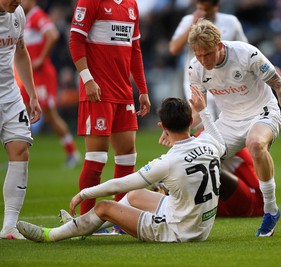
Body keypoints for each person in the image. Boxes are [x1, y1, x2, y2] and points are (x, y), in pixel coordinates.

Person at [16, 93, 227, 243]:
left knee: (104, 207)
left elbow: (120, 184)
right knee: (135, 195)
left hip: (177, 231)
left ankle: (49, 235)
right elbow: (222, 143)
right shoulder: (209, 144)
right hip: (200, 226)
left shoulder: (168, 161)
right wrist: (204, 111)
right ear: (191, 121)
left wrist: (84, 193)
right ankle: (80, 228)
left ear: (161, 127)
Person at [165, 19, 281, 237]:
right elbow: (199, 109)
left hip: (263, 111)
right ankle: (175, 211)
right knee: (194, 156)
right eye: (197, 54)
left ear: (219, 45)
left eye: (207, 54)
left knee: (255, 144)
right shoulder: (195, 68)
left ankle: (271, 210)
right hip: (228, 121)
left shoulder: (247, 54)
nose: (202, 60)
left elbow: (278, 84)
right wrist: (176, 128)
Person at [68, 0, 151, 218]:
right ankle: (85, 221)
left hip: (124, 93)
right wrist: (87, 80)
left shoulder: (131, 4)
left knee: (127, 155)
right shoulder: (90, 1)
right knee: (97, 158)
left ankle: (121, 219)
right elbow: (75, 41)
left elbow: (135, 50)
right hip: (98, 92)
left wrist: (142, 89)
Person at [19, 0, 80, 169]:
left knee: (50, 115)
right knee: (20, 113)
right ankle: (17, 157)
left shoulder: (37, 15)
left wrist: (41, 58)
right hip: (29, 75)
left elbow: (52, 34)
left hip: (42, 75)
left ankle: (72, 153)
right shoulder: (26, 18)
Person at [0, 0, 42, 240]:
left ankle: (9, 227)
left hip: (10, 96)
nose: (17, 1)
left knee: (20, 151)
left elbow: (21, 51)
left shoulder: (17, 14)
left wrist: (32, 94)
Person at [169, 0, 248, 121]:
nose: (201, 11)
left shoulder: (231, 22)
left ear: (217, 6)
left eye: (205, 9)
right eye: (199, 7)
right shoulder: (188, 20)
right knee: (204, 123)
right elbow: (174, 49)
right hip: (198, 79)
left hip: (227, 82)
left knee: (229, 123)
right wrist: (193, 25)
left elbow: (244, 50)